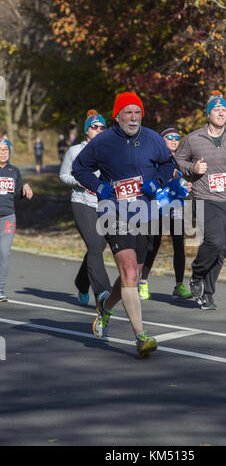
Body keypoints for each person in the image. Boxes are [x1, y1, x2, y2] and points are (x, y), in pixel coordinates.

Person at [72, 92, 180, 358]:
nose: (134, 118)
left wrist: (158, 183)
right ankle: (140, 336)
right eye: (128, 113)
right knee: (130, 270)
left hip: (143, 212)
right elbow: (79, 168)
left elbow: (168, 164)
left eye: (137, 112)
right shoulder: (104, 142)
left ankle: (106, 308)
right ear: (117, 116)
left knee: (132, 273)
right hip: (114, 211)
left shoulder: (153, 139)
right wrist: (99, 187)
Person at [175, 90, 226, 310]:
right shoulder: (194, 138)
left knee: (223, 249)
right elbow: (178, 160)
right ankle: (197, 274)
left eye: (224, 110)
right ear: (208, 115)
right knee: (214, 242)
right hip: (204, 198)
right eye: (216, 110)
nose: (220, 113)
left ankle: (208, 294)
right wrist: (193, 168)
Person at [60, 110, 111, 306]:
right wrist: (80, 181)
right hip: (81, 201)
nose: (98, 130)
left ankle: (82, 282)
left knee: (99, 246)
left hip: (104, 204)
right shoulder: (75, 151)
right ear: (86, 131)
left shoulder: (109, 151)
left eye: (102, 127)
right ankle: (103, 293)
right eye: (94, 127)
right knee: (95, 245)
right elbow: (64, 176)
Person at [138, 125, 192, 300]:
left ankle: (179, 286)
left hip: (175, 204)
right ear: (162, 140)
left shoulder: (181, 159)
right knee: (153, 244)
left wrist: (186, 186)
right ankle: (143, 282)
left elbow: (181, 181)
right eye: (170, 138)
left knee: (178, 244)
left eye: (177, 138)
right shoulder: (155, 158)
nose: (175, 140)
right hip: (156, 205)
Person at [0, 135, 33, 302]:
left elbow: (19, 191)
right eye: (0, 150)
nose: (3, 153)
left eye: (5, 150)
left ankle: (0, 289)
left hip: (7, 218)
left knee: (4, 253)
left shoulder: (14, 171)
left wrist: (25, 187)